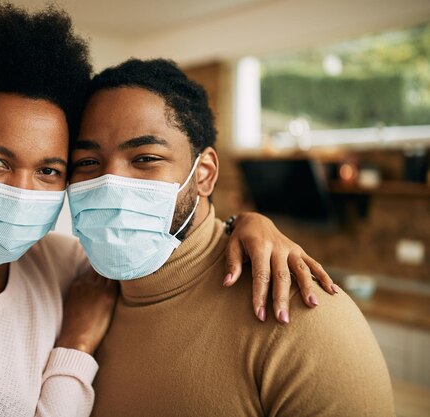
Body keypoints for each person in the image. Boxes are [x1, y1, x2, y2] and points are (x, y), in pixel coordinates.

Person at [0, 3, 335, 417]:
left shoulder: (58, 262)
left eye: (50, 170)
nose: (23, 190)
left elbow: (153, 249)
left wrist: (246, 224)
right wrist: (74, 348)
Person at [69, 58, 396, 417]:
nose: (112, 183)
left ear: (205, 174)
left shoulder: (300, 318)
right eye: (87, 162)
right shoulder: (75, 294)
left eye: (146, 158)